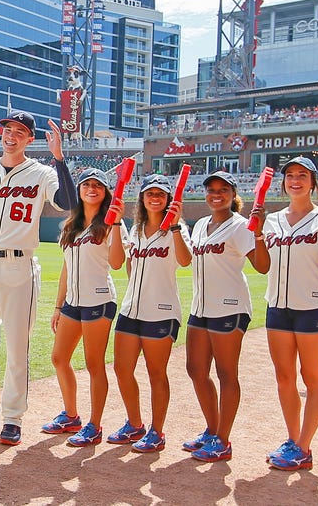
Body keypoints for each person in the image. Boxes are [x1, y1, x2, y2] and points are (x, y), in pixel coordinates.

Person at [0, 113, 72, 446]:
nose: (11, 136)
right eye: (7, 130)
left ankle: (12, 416)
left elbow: (67, 203)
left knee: (16, 345)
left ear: (29, 139)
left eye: (20, 132)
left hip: (18, 265)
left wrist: (60, 158)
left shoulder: (42, 172)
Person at [256, 156, 318, 471]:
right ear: (284, 181)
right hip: (278, 307)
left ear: (313, 182)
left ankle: (304, 446)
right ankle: (293, 439)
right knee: (284, 378)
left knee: (312, 378)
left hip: (312, 307)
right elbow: (264, 265)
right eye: (290, 175)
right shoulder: (272, 220)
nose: (295, 180)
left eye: (302, 175)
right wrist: (255, 232)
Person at [184, 170, 268, 462]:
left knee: (225, 373)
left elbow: (262, 266)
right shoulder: (200, 226)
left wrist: (258, 232)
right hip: (201, 306)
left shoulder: (241, 226)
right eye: (211, 189)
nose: (216, 194)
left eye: (223, 190)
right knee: (195, 370)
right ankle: (212, 429)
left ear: (233, 195)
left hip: (230, 306)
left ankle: (223, 440)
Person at [108, 175, 191, 453]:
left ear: (168, 199)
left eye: (161, 194)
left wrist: (177, 226)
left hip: (162, 310)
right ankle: (135, 424)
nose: (155, 198)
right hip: (132, 308)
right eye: (149, 193)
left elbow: (185, 260)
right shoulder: (137, 228)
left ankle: (157, 431)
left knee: (156, 373)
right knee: (122, 369)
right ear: (142, 199)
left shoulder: (175, 229)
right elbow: (127, 265)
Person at [47, 168, 126, 448]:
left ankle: (95, 425)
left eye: (98, 186)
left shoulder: (111, 222)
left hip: (99, 300)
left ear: (105, 192)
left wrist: (116, 224)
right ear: (79, 190)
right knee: (59, 358)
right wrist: (58, 305)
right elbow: (66, 268)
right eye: (87, 185)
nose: (92, 189)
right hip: (73, 302)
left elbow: (117, 263)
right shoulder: (71, 224)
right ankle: (71, 416)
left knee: (94, 364)